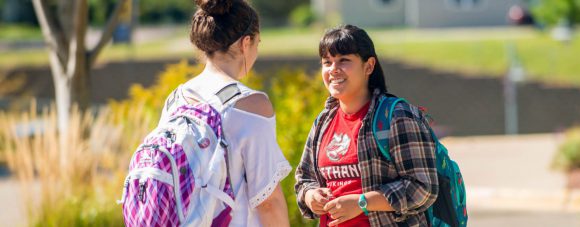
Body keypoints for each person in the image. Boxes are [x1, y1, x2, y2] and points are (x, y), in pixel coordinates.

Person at [159, 0, 291, 226]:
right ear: (246, 43)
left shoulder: (176, 98)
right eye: (258, 43)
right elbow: (268, 202)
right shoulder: (252, 104)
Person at [294, 24, 439, 227]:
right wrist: (310, 196)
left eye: (344, 60)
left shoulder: (397, 116)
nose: (333, 69)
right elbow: (304, 179)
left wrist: (362, 202)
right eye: (327, 62)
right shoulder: (322, 122)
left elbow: (423, 189)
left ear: (369, 66)